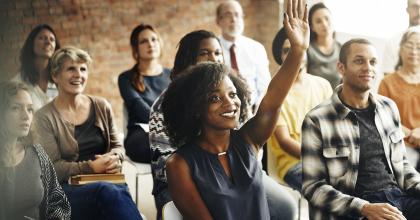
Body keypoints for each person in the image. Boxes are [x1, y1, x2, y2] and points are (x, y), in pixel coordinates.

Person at [162, 0, 308, 218]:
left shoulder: (248, 140)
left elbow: (273, 102)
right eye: (214, 97)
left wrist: (297, 50)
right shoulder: (179, 164)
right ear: (195, 107)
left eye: (232, 94)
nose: (229, 103)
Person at [302, 38, 420, 220]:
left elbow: (402, 166)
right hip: (356, 208)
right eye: (359, 61)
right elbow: (313, 187)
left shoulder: (388, 108)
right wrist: (364, 208)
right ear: (341, 68)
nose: (368, 68)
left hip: (398, 197)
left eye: (372, 62)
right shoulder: (317, 120)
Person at [33, 46, 142, 220]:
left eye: (83, 69)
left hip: (108, 181)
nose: (78, 75)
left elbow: (117, 145)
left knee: (113, 192)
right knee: (109, 192)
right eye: (71, 69)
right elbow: (52, 168)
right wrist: (90, 167)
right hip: (65, 192)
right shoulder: (43, 117)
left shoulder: (101, 105)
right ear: (55, 76)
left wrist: (115, 157)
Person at [149, 29, 224, 219]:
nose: (213, 59)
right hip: (176, 184)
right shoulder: (165, 105)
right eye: (204, 53)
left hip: (224, 178)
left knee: (282, 207)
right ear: (189, 59)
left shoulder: (229, 98)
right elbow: (163, 167)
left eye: (217, 53)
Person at [268, 27, 332, 190]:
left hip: (328, 158)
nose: (294, 55)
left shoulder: (322, 85)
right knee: (330, 192)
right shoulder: (275, 93)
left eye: (298, 49)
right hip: (294, 164)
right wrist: (320, 159)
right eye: (287, 50)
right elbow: (284, 141)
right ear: (280, 56)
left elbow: (334, 127)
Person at [0, 81, 70, 220]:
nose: (26, 116)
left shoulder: (37, 153)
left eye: (30, 109)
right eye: (15, 108)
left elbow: (59, 201)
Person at [118, 23, 170, 163]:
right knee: (161, 146)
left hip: (172, 130)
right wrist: (166, 125)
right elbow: (137, 105)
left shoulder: (173, 75)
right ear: (136, 48)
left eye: (154, 39)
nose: (150, 44)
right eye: (144, 41)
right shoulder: (125, 78)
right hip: (141, 134)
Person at [215, 0, 271, 109]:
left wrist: (257, 112)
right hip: (222, 110)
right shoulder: (213, 48)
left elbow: (265, 87)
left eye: (237, 15)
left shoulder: (256, 48)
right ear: (218, 21)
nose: (233, 19)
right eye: (227, 15)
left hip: (253, 111)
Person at [379, 27, 420, 169]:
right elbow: (382, 117)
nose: (414, 52)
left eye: (419, 47)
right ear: (400, 49)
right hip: (400, 143)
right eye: (409, 46)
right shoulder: (387, 82)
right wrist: (407, 133)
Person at [15, 24, 61, 111]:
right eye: (42, 38)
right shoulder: (18, 83)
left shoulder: (59, 80)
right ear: (31, 44)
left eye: (52, 39)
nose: (48, 42)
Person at [307, 2, 342, 89]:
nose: (324, 24)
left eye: (327, 18)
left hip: (336, 100)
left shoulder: (341, 49)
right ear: (312, 27)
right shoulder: (308, 50)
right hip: (314, 100)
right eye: (318, 21)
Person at [382, 0, 420, 76]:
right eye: (415, 7)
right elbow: (388, 83)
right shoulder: (393, 42)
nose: (419, 11)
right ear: (407, 9)